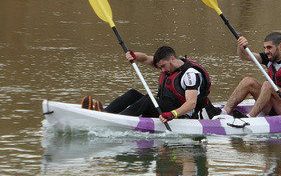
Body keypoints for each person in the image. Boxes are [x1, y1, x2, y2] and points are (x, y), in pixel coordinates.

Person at [83, 46, 217, 123]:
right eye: (160, 67)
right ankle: (105, 113)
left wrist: (172, 114)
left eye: (163, 66)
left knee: (148, 100)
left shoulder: (190, 75)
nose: (162, 70)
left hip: (183, 115)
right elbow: (145, 58)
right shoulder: (167, 64)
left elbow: (191, 104)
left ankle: (116, 121)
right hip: (166, 107)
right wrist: (134, 56)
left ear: (172, 59)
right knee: (133, 94)